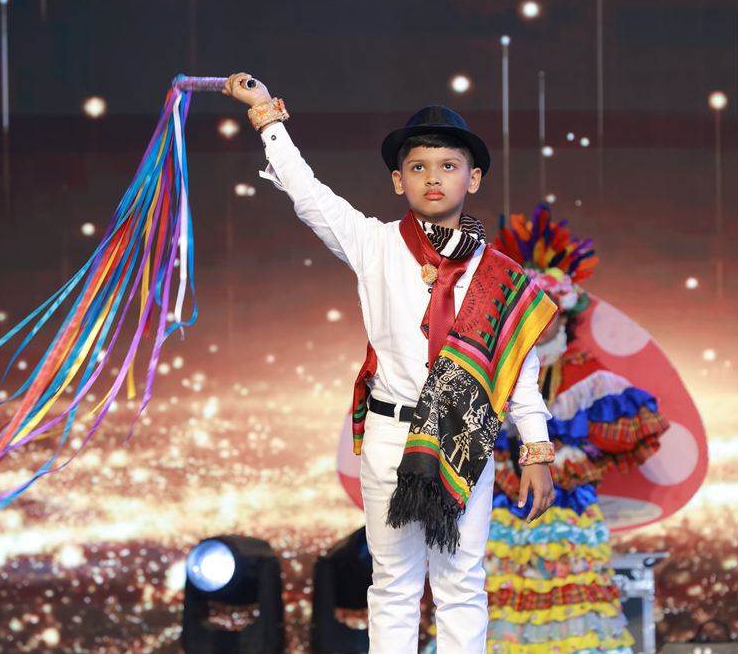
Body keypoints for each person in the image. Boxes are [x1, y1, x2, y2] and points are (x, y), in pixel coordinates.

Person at [223, 73, 559, 653]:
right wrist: (266, 117)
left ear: (474, 178)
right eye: (419, 167)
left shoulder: (501, 275)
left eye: (449, 166)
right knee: (394, 585)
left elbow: (518, 374)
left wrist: (537, 450)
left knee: (461, 583)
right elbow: (308, 194)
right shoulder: (374, 244)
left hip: (464, 437)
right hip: (389, 436)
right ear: (398, 179)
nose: (434, 178)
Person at [482, 204, 672, 654]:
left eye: (547, 309)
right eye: (529, 309)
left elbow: (630, 429)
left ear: (564, 312)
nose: (539, 319)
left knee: (576, 616)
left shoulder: (588, 377)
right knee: (497, 610)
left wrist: (573, 447)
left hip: (568, 517)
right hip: (503, 516)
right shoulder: (492, 372)